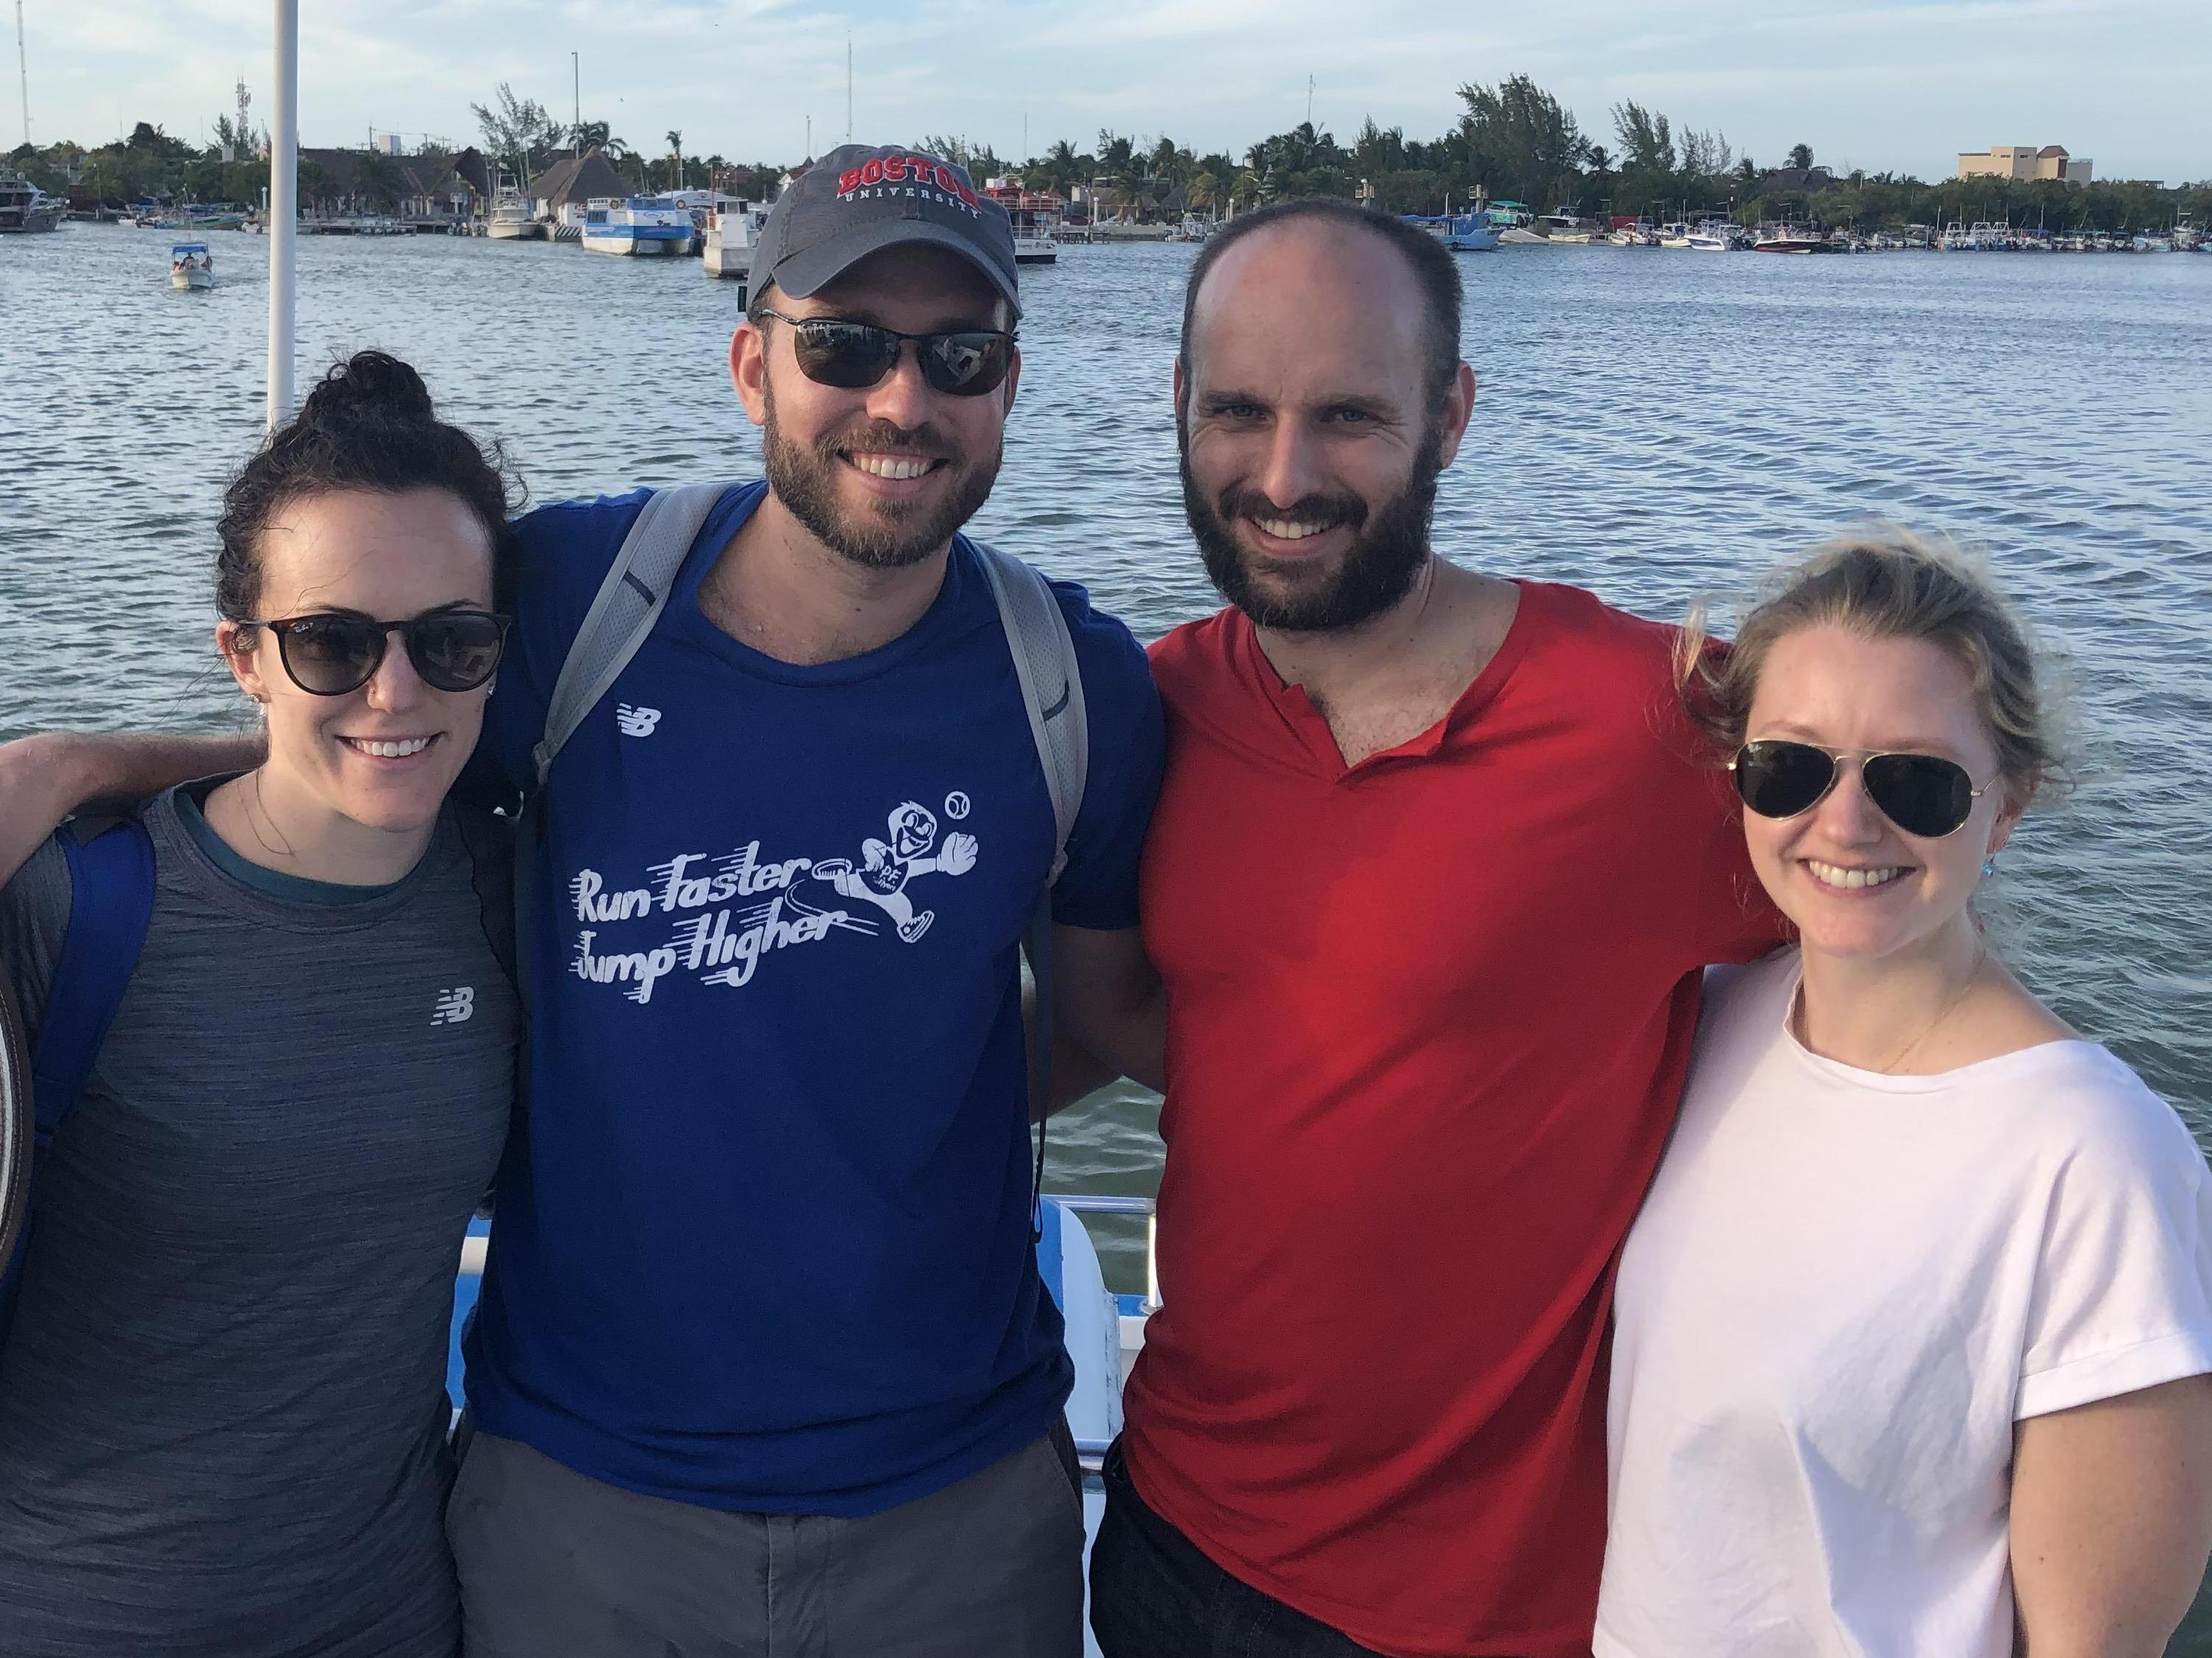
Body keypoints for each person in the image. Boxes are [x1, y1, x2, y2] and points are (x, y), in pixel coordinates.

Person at [0, 147, 1168, 1657]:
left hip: (949, 1500)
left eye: (958, 354)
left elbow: (1093, 1024)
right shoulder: (577, 598)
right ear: (753, 361)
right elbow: (373, 728)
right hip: (579, 1498)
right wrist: (88, 759)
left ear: (1008, 380)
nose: (901, 400)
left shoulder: (1076, 683)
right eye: (844, 346)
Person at [1091, 198, 1778, 1658]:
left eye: (1347, 415)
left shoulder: (1651, 720)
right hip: (1165, 1533)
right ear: (1177, 409)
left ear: (1450, 414)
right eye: (1237, 411)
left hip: (1486, 1607)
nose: (1283, 476)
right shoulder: (1143, 713)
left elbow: (1903, 924)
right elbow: (1181, 1023)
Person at [1597, 532, 2212, 1657]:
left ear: (2008, 807)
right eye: (1791, 766)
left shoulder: (2094, 1161)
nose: (1843, 823)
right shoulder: (1711, 1024)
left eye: (1916, 782)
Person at [0, 351, 522, 1658]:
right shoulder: (75, 907)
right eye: (332, 643)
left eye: (449, 643)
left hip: (391, 1614)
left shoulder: (509, 894)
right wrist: (68, 764)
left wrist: (88, 752)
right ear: (243, 655)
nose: (395, 691)